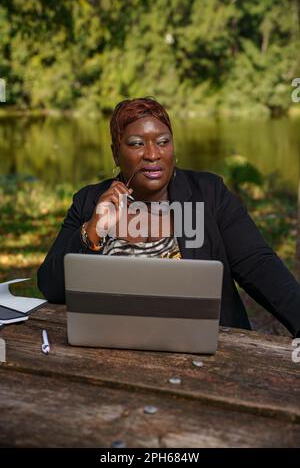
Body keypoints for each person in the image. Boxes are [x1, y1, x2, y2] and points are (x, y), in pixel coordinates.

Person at [37, 97, 300, 336]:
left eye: (163, 141)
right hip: (113, 347)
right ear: (116, 152)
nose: (153, 154)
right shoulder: (90, 201)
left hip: (205, 352)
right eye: (137, 144)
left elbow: (258, 265)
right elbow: (51, 286)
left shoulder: (208, 194)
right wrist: (92, 232)